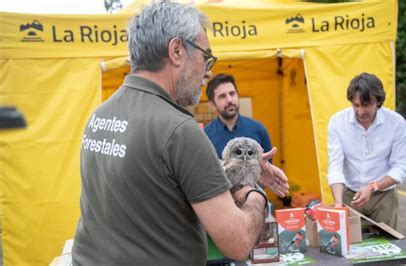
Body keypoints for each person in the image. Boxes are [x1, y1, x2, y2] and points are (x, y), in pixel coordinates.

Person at [71, 1, 289, 265]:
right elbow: (238, 241)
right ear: (176, 51)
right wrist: (255, 191)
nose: (208, 71)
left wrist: (242, 172)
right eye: (205, 56)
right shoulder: (178, 130)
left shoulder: (101, 115)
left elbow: (161, 180)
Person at [327, 72, 406, 229]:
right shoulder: (337, 122)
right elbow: (335, 165)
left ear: (378, 101)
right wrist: (338, 202)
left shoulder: (396, 123)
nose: (360, 112)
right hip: (348, 195)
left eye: (366, 105)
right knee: (348, 247)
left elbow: (401, 167)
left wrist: (373, 187)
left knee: (388, 245)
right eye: (356, 105)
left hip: (383, 197)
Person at [204, 73, 272, 161]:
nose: (229, 100)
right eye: (222, 96)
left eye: (232, 94)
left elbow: (268, 169)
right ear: (212, 105)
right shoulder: (206, 136)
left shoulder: (258, 130)